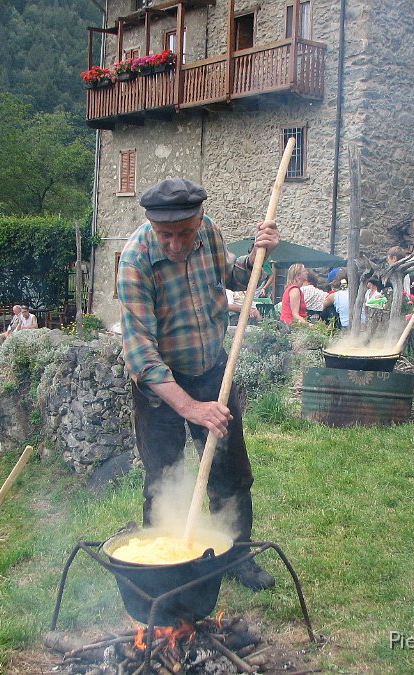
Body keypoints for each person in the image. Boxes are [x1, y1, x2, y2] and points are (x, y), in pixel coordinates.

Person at [117, 177, 279, 590]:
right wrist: (189, 407)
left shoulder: (209, 233)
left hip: (211, 373)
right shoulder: (135, 261)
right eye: (165, 235)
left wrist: (260, 253)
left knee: (231, 473)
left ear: (200, 218)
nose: (174, 244)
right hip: (160, 392)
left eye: (183, 233)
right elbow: (141, 354)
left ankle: (237, 557)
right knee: (163, 478)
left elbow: (238, 276)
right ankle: (162, 573)